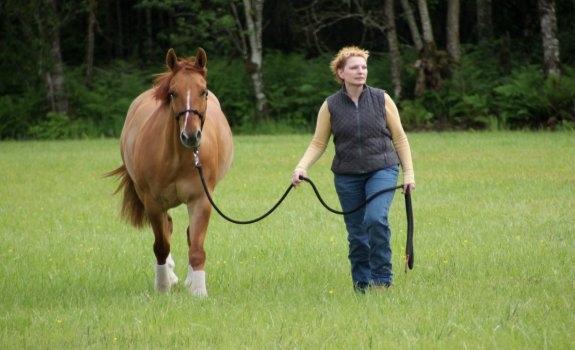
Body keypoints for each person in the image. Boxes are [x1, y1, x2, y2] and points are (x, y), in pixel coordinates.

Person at [291, 46, 415, 293]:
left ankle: (382, 281)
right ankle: (361, 284)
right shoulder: (330, 105)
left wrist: (409, 173)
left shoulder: (382, 99)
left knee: (375, 219)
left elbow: (400, 138)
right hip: (347, 176)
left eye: (364, 67)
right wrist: (301, 167)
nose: (361, 71)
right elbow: (318, 142)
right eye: (354, 67)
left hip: (382, 169)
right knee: (357, 233)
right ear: (341, 73)